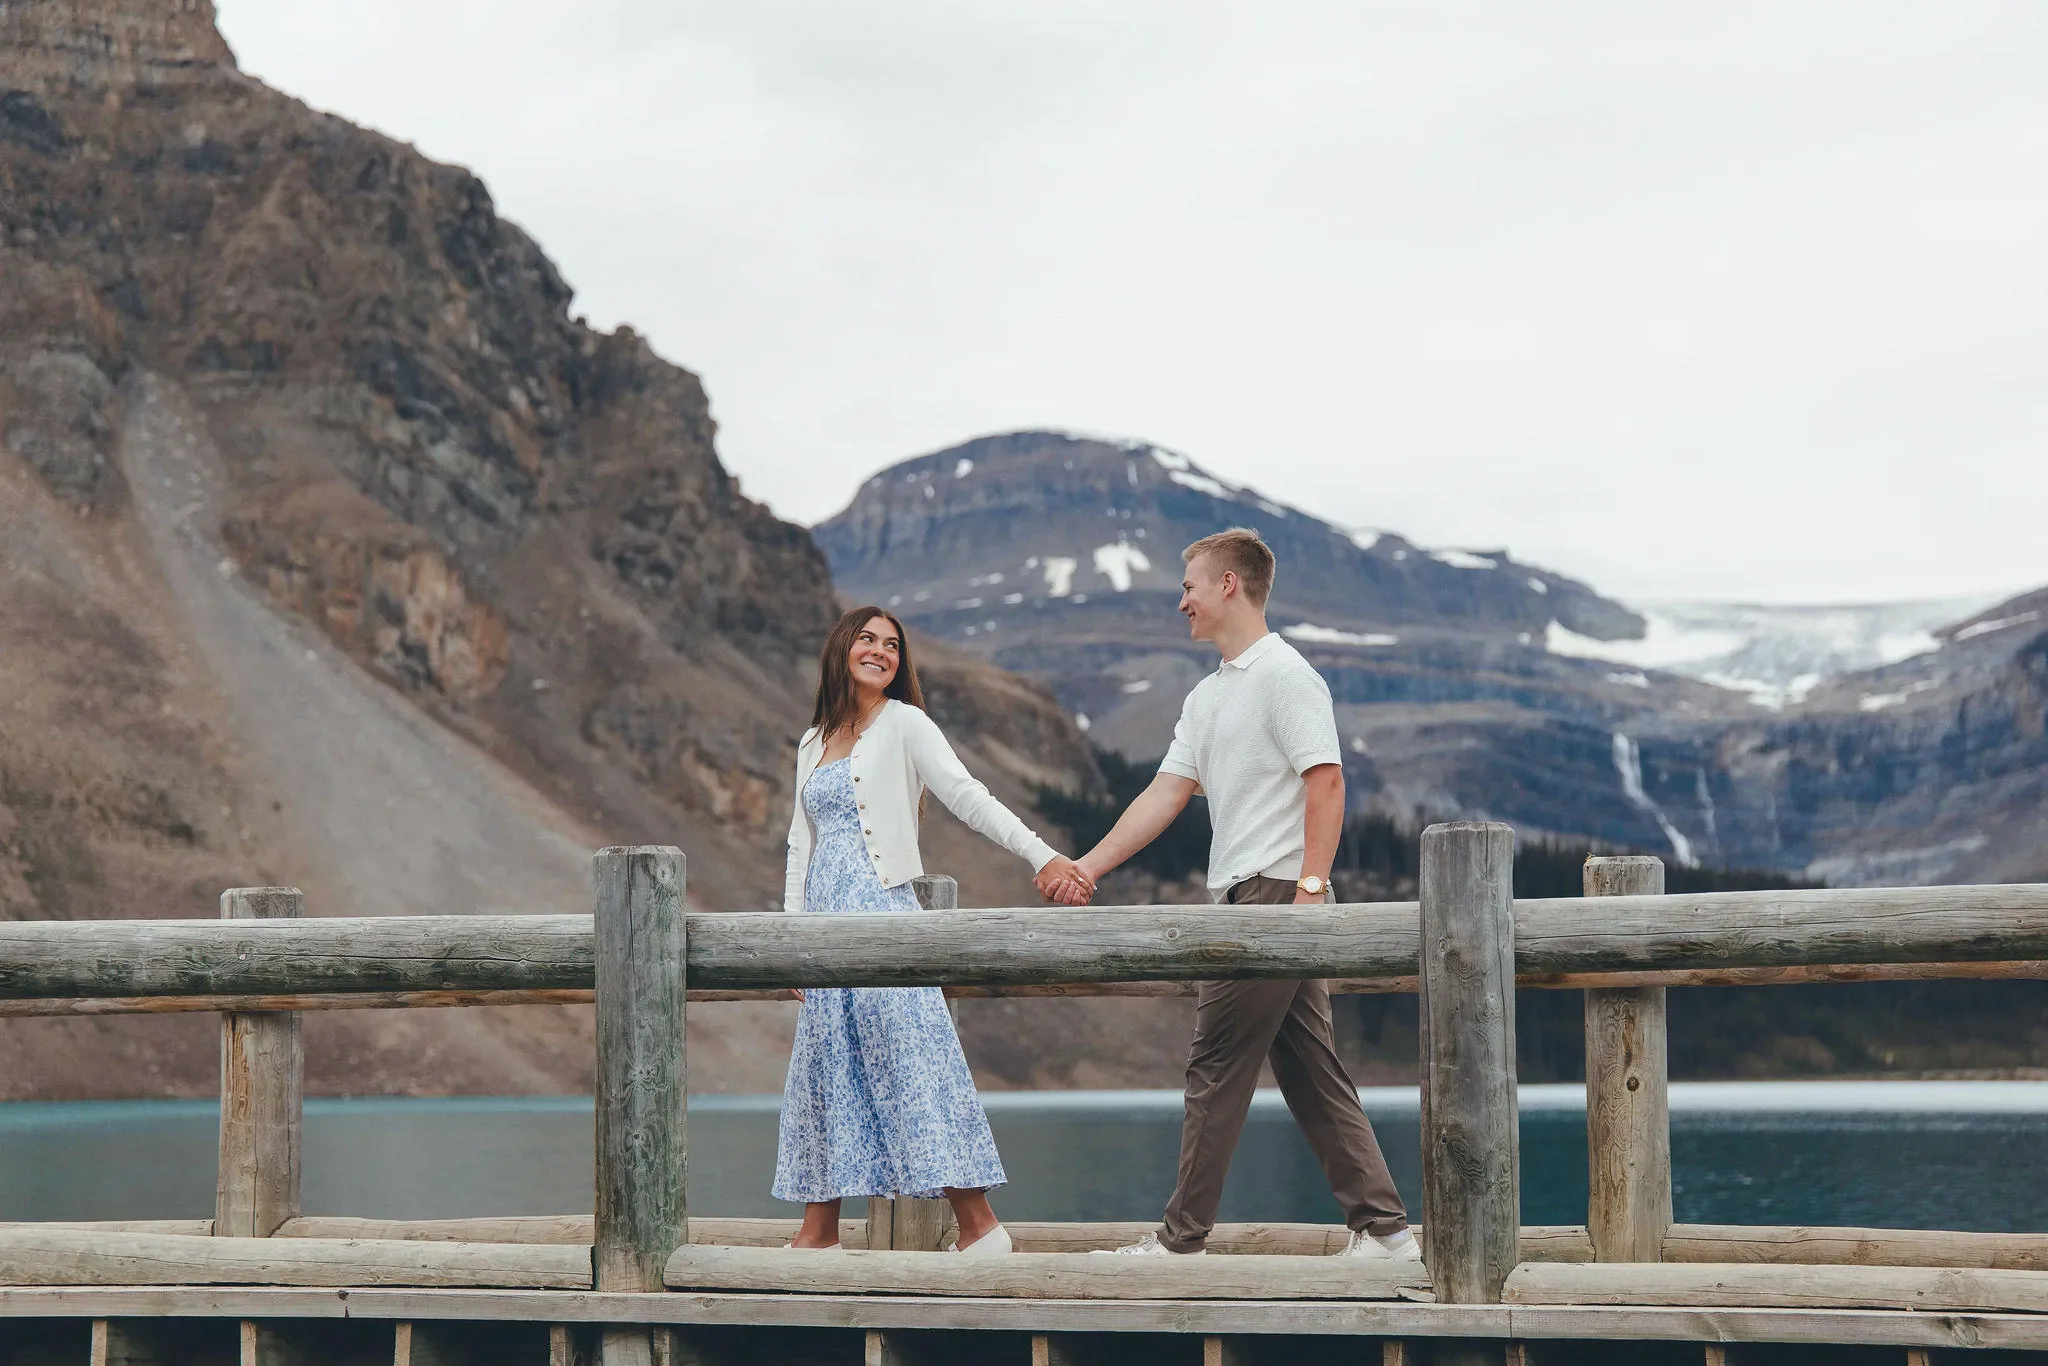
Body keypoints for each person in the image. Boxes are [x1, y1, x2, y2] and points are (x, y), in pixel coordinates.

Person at [1045, 529, 1418, 1261]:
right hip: (1251, 899)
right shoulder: (1208, 696)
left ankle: (1180, 1242)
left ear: (1228, 586)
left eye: (1189, 585)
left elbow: (1327, 780)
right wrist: (1086, 865)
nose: (1179, 599)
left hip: (1277, 898)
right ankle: (1385, 1232)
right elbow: (1166, 793)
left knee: (1214, 1066)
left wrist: (1310, 893)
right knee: (1312, 1073)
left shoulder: (1287, 675)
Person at [774, 605, 1095, 1253]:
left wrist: (1043, 855)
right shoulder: (812, 741)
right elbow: (797, 844)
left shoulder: (907, 724)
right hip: (823, 925)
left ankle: (981, 1230)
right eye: (866, 639)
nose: (880, 651)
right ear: (841, 649)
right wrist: (790, 943)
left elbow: (968, 795)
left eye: (892, 645)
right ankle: (818, 1234)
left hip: (882, 912)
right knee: (823, 1069)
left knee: (914, 1064)